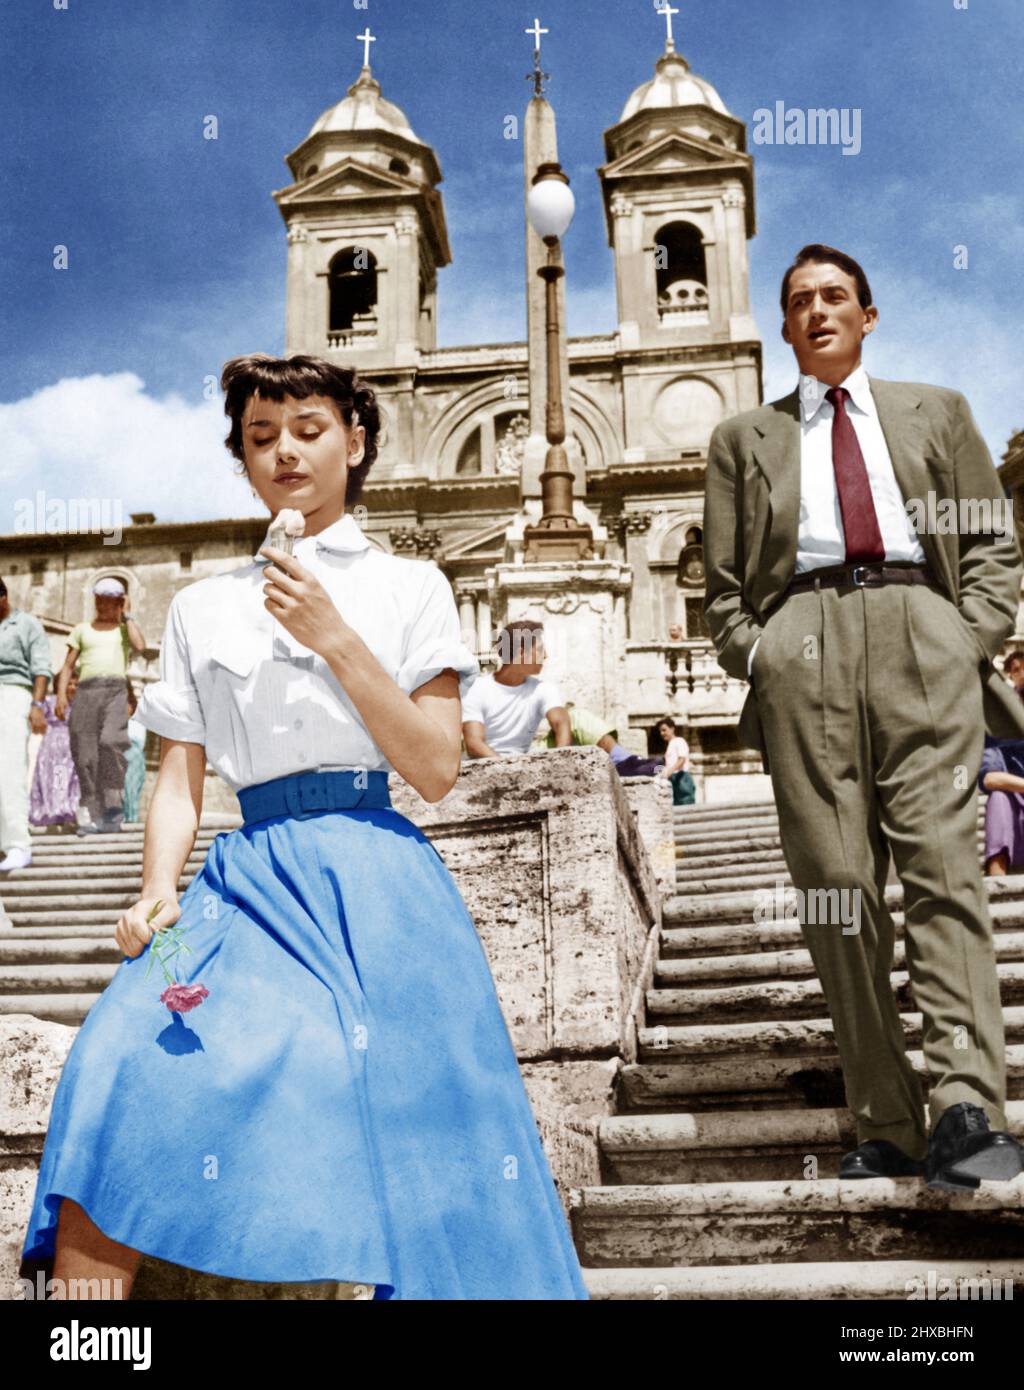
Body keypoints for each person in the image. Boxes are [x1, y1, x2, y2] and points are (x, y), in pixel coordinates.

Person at [19, 353, 590, 1302]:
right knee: (118, 1053)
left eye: (308, 429)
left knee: (407, 1119)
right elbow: (177, 773)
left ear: (355, 441)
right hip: (247, 876)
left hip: (374, 874)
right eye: (259, 436)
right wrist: (156, 887)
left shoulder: (414, 586)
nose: (283, 451)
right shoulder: (204, 606)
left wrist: (334, 636)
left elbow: (437, 768)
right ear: (241, 457)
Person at [702, 242, 1024, 1192]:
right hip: (801, 644)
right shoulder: (742, 440)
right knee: (838, 890)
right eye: (798, 301)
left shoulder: (938, 411)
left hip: (921, 623)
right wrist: (761, 655)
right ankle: (886, 1118)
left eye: (836, 295)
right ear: (786, 325)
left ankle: (968, 1104)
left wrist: (963, 640)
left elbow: (990, 547)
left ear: (868, 315)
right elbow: (722, 590)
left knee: (942, 874)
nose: (817, 311)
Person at [57, 580, 147, 835]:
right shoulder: (82, 630)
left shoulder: (123, 630)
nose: (102, 606)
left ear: (119, 603)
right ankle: (90, 813)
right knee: (85, 756)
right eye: (99, 600)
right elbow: (67, 666)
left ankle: (113, 809)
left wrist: (127, 616)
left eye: (109, 601)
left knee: (110, 743)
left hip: (115, 691)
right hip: (86, 692)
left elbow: (140, 647)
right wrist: (62, 695)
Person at [0, 574, 53, 872]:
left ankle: (19, 844)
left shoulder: (27, 624)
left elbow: (42, 667)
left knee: (8, 770)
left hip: (13, 694)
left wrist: (37, 705)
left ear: (3, 598)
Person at [461, 620, 572, 757]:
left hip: (522, 766)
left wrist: (560, 761)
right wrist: (507, 770)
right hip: (483, 768)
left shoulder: (542, 689)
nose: (545, 656)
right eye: (539, 650)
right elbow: (474, 743)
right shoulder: (476, 689)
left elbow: (561, 722)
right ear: (521, 654)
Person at [542, 700, 666, 778]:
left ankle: (639, 763)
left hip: (616, 760)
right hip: (617, 760)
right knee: (647, 766)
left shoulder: (573, 718)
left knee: (647, 766)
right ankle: (641, 763)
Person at [29, 671, 81, 830]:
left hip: (72, 748)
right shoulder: (50, 701)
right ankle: (53, 815)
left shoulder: (79, 705)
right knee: (55, 779)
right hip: (53, 749)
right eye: (68, 683)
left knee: (69, 782)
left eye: (75, 684)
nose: (71, 687)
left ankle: (66, 813)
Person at [122, 684, 147, 825]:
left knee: (130, 790)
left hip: (133, 758)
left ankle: (131, 819)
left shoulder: (137, 721)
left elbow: (139, 743)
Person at [657, 716, 695, 805]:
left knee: (686, 804)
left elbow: (682, 759)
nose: (662, 733)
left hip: (681, 778)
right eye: (660, 731)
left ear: (672, 729)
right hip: (673, 778)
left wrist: (669, 772)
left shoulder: (679, 741)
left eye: (664, 730)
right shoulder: (670, 745)